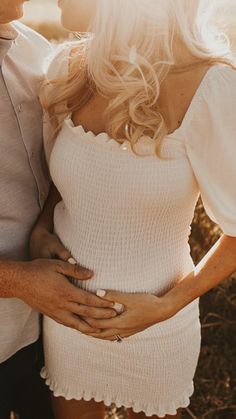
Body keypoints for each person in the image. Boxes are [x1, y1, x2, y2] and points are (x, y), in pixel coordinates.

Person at [32, 0, 236, 418]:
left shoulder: (210, 86)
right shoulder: (69, 69)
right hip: (69, 318)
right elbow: (67, 180)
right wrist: (40, 229)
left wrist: (165, 307)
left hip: (159, 326)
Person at [0, 1, 117, 418]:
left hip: (43, 332)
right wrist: (17, 281)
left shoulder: (36, 51)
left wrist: (44, 225)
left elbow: (52, 163)